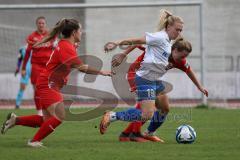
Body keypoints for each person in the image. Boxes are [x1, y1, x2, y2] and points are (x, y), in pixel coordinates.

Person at [1, 18, 113, 148]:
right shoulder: (66, 47)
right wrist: (102, 72)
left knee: (46, 120)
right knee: (60, 116)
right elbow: (82, 67)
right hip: (48, 84)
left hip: (48, 82)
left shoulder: (67, 45)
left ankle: (16, 120)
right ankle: (33, 141)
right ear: (74, 33)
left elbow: (64, 64)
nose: (81, 33)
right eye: (80, 30)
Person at [100, 13, 208, 143]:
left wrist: (199, 87)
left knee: (164, 108)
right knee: (147, 113)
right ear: (168, 27)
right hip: (144, 78)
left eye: (181, 30)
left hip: (155, 80)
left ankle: (149, 133)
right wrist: (116, 44)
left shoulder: (170, 42)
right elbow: (137, 41)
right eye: (177, 29)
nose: (179, 33)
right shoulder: (159, 38)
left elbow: (189, 70)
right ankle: (112, 116)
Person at [21, 16, 52, 115]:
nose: (41, 25)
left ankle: (47, 108)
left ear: (45, 24)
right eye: (39, 23)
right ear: (37, 24)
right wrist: (23, 68)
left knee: (48, 89)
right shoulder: (32, 37)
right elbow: (27, 53)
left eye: (43, 23)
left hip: (48, 66)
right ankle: (39, 111)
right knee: (37, 89)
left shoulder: (51, 36)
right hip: (36, 66)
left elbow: (56, 49)